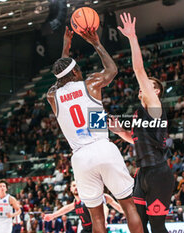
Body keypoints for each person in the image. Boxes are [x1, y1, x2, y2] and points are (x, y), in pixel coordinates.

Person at [46, 26, 142, 233]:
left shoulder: (52, 97)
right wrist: (96, 43)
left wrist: (66, 48)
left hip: (80, 158)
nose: (80, 71)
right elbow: (112, 70)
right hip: (102, 147)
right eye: (77, 69)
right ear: (74, 71)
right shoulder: (90, 84)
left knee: (96, 218)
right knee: (129, 206)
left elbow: (60, 77)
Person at [111, 12, 174, 233]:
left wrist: (132, 38)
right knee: (137, 223)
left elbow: (138, 69)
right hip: (142, 173)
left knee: (157, 227)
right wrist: (120, 132)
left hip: (158, 173)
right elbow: (134, 138)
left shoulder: (155, 106)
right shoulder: (140, 114)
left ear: (155, 91)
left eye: (149, 85)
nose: (144, 86)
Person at [43, 181, 124, 233]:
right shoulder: (76, 202)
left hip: (96, 227)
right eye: (74, 185)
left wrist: (104, 220)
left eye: (77, 185)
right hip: (85, 229)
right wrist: (53, 215)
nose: (76, 187)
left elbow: (104, 207)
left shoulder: (88, 198)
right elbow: (67, 208)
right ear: (70, 189)